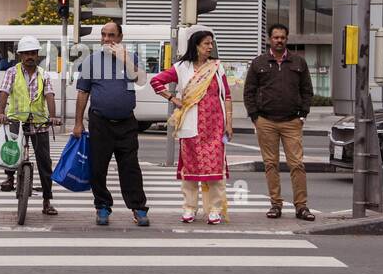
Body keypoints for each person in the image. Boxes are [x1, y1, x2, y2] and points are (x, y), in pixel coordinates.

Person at [150, 26, 233, 225]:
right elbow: (156, 82)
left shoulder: (217, 67)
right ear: (196, 46)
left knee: (215, 169)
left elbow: (226, 95)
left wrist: (229, 123)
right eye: (206, 43)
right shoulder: (182, 68)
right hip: (191, 126)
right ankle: (189, 207)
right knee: (191, 169)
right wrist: (172, 98)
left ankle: (214, 209)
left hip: (214, 126)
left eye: (211, 43)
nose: (210, 47)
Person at [72, 20, 149, 227]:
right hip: (100, 122)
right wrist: (78, 123)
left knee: (130, 167)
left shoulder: (131, 58)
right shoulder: (91, 61)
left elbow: (141, 80)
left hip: (126, 123)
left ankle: (138, 208)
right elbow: (83, 92)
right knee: (98, 167)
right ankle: (102, 206)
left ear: (120, 38)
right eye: (104, 35)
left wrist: (123, 58)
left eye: (111, 35)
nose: (107, 39)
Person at [243, 23, 313, 221]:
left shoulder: (299, 62)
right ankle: (275, 204)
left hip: (292, 121)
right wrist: (255, 116)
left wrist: (303, 115)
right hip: (266, 121)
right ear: (269, 39)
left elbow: (307, 90)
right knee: (271, 164)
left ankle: (301, 206)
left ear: (287, 39)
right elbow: (249, 91)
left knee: (297, 164)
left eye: (282, 37)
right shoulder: (259, 63)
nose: (279, 40)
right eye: (276, 37)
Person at [0, 36, 59, 216]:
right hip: (16, 120)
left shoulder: (43, 75)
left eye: (33, 53)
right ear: (20, 55)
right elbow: (4, 93)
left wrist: (53, 116)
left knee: (45, 163)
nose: (30, 56)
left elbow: (50, 95)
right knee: (11, 150)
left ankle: (47, 201)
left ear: (37, 55)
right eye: (26, 53)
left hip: (39, 122)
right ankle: (9, 177)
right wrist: (0, 112)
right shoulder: (11, 72)